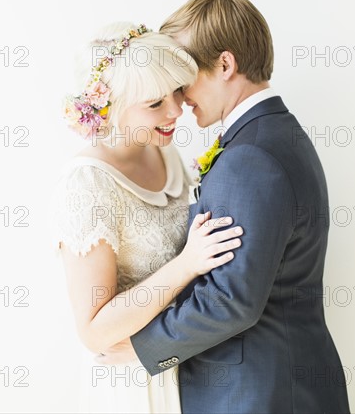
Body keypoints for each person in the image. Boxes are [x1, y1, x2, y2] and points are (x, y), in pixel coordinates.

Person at [99, 0, 351, 413]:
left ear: (225, 65)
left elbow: (230, 298)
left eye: (184, 75)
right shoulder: (274, 134)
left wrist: (144, 347)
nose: (177, 96)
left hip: (254, 393)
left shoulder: (250, 157)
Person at [53, 22, 244, 413]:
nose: (177, 111)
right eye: (155, 104)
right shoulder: (87, 183)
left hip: (185, 364)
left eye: (176, 93)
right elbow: (95, 332)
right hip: (133, 385)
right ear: (113, 108)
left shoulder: (162, 150)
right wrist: (187, 265)